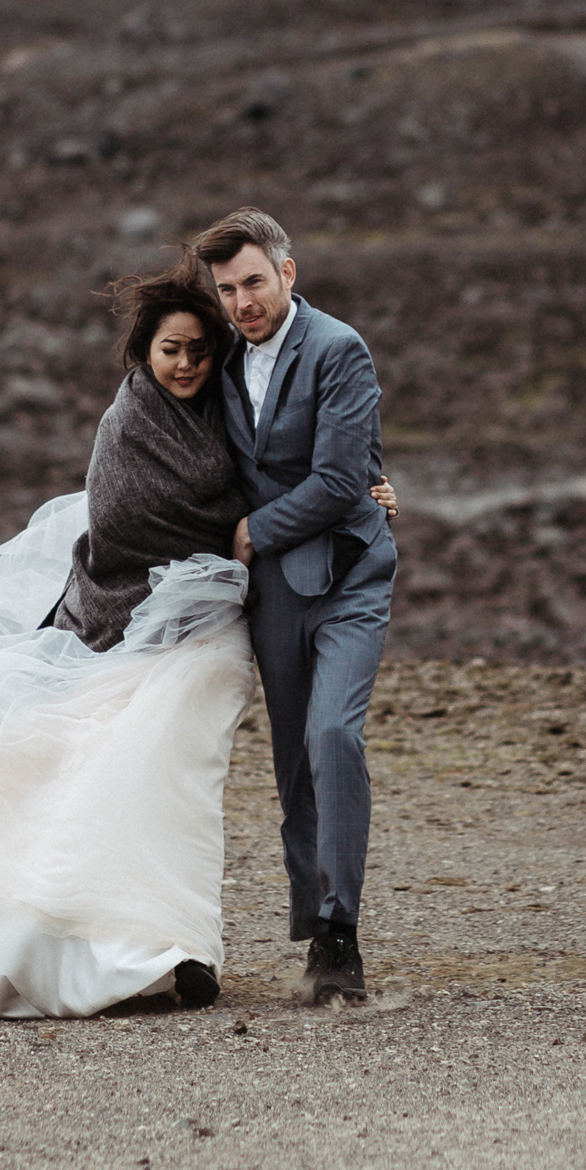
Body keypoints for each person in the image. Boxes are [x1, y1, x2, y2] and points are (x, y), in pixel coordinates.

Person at [0, 256, 398, 1017]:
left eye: (197, 349)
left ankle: (177, 942)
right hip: (137, 620)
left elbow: (293, 455)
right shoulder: (129, 425)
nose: (185, 363)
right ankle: (121, 946)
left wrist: (363, 482)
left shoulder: (229, 398)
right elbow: (123, 530)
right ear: (144, 354)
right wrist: (245, 531)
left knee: (184, 773)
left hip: (215, 625)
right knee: (105, 765)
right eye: (169, 350)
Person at [196, 208, 396, 1004]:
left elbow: (342, 479)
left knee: (332, 734)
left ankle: (343, 935)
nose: (243, 300)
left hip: (348, 575)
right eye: (227, 289)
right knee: (292, 766)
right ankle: (314, 929)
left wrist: (251, 529)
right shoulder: (216, 363)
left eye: (253, 280)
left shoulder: (339, 348)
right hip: (274, 592)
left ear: (288, 271)